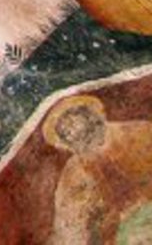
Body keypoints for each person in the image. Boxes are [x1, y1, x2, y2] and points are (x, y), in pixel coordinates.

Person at [44, 94, 152, 244]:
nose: (72, 132)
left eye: (73, 123)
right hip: (122, 229)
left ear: (89, 116)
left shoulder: (134, 132)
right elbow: (71, 218)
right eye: (65, 132)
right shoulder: (74, 172)